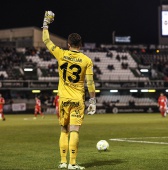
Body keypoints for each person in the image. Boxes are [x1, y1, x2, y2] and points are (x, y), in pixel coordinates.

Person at [42, 11, 96, 170]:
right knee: (74, 131)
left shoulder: (61, 54)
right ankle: (72, 163)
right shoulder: (87, 60)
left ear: (68, 44)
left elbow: (46, 39)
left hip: (63, 99)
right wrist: (92, 100)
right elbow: (90, 83)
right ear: (81, 44)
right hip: (78, 100)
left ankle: (62, 161)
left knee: (63, 130)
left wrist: (46, 23)